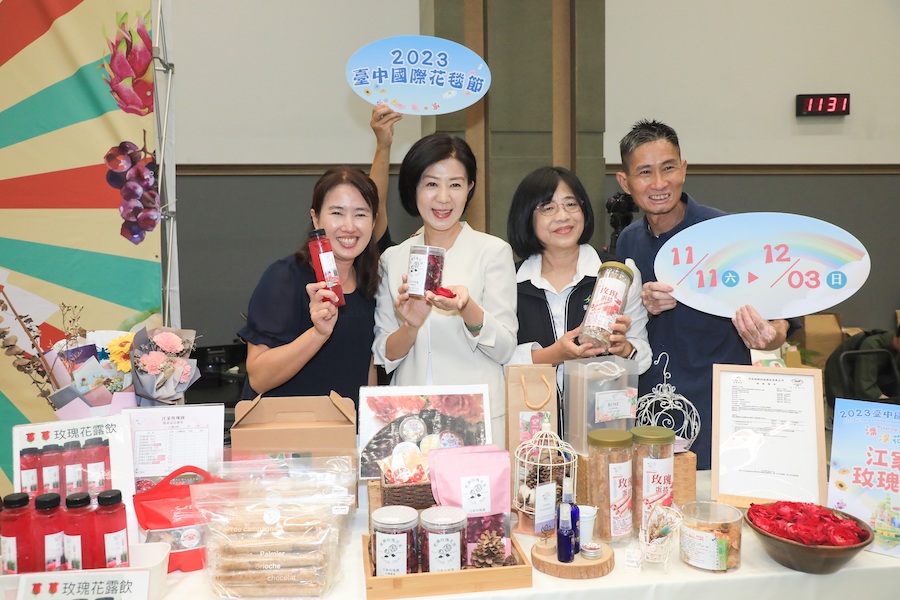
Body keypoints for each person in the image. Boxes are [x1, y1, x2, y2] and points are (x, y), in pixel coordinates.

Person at [614, 119, 799, 470]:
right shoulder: (628, 241)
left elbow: (782, 319)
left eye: (668, 168)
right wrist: (643, 307)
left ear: (684, 169)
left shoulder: (725, 233)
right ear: (625, 182)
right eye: (645, 172)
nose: (659, 183)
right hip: (648, 406)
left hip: (718, 407)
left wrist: (771, 335)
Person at [373, 133, 518, 446]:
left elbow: (506, 349)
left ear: (470, 188)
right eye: (431, 184)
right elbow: (385, 354)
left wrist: (467, 308)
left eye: (455, 184)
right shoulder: (393, 259)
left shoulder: (492, 252)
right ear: (414, 188)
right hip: (410, 421)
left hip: (474, 421)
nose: (443, 198)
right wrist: (411, 326)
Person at [506, 166, 652, 409]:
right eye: (548, 208)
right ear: (526, 217)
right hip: (531, 419)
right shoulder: (510, 281)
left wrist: (624, 348)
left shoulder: (617, 274)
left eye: (571, 204)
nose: (563, 216)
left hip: (602, 421)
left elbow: (643, 355)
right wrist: (555, 355)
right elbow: (498, 361)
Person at [238, 166, 382, 406]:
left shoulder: (371, 281)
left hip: (346, 426)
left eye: (360, 214)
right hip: (287, 427)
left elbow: (366, 368)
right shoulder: (284, 277)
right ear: (316, 218)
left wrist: (370, 421)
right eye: (337, 213)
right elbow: (258, 378)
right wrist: (317, 334)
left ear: (374, 220)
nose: (349, 226)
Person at [824, 325, 900, 407]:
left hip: (869, 379)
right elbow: (865, 388)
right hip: (842, 382)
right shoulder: (871, 346)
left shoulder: (895, 346)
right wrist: (893, 406)